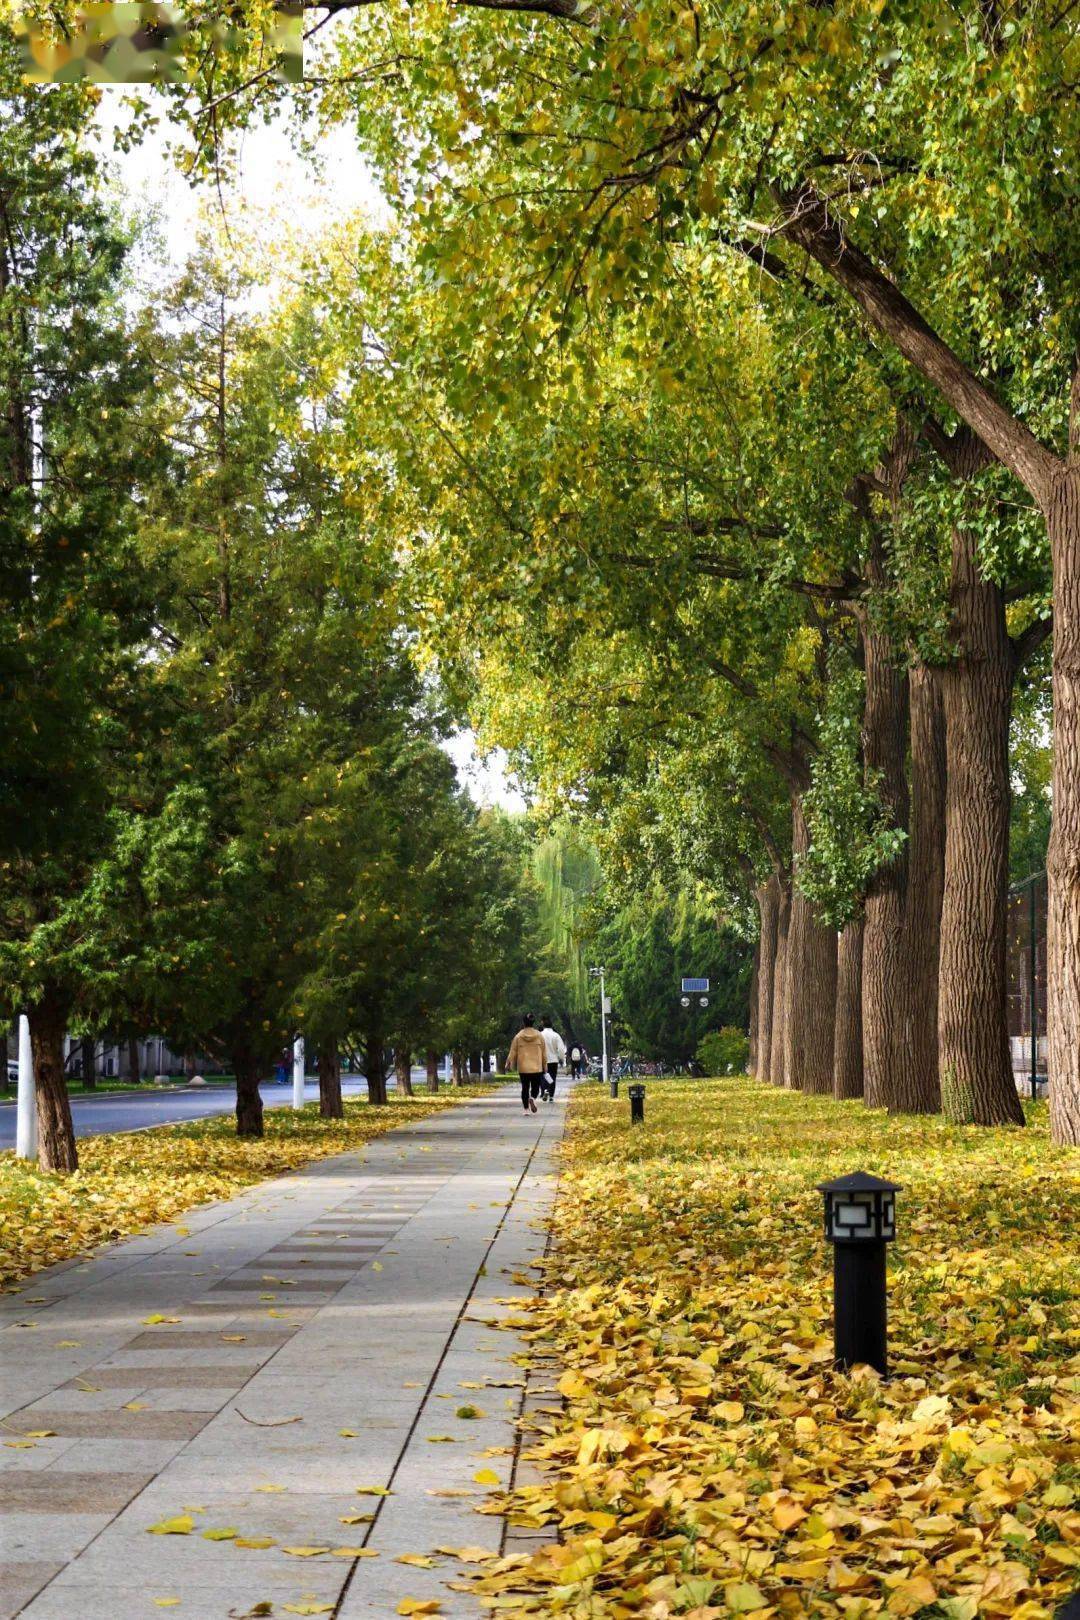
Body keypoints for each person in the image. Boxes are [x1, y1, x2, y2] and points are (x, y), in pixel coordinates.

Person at [506, 1014, 547, 1114]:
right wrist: (545, 1066)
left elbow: (513, 1051)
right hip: (536, 1067)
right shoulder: (539, 1035)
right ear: (533, 1023)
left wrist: (508, 1063)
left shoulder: (518, 1036)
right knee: (536, 1087)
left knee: (525, 1088)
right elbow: (544, 1052)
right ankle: (532, 1098)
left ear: (523, 1023)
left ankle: (526, 1109)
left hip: (523, 1067)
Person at [539, 1018, 566, 1101]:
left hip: (542, 1060)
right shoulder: (556, 1035)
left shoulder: (539, 1035)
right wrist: (561, 1058)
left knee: (543, 1076)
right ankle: (551, 1096)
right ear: (552, 1025)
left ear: (543, 1025)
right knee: (552, 1077)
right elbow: (561, 1049)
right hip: (553, 1060)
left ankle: (545, 1089)